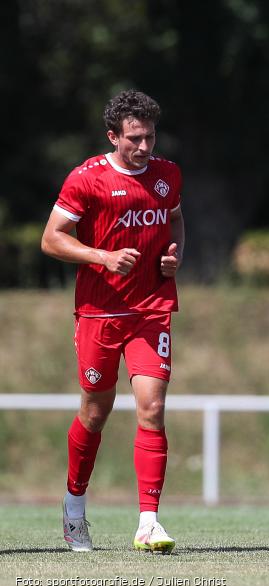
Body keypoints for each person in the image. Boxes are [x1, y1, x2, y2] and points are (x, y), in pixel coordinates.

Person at [40, 89, 184, 553]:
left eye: (150, 137)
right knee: (95, 412)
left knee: (152, 408)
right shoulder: (87, 179)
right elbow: (51, 239)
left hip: (150, 309)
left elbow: (175, 220)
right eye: (135, 139)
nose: (145, 148)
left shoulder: (167, 174)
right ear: (113, 136)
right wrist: (101, 256)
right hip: (99, 312)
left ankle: (148, 522)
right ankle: (74, 506)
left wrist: (174, 256)